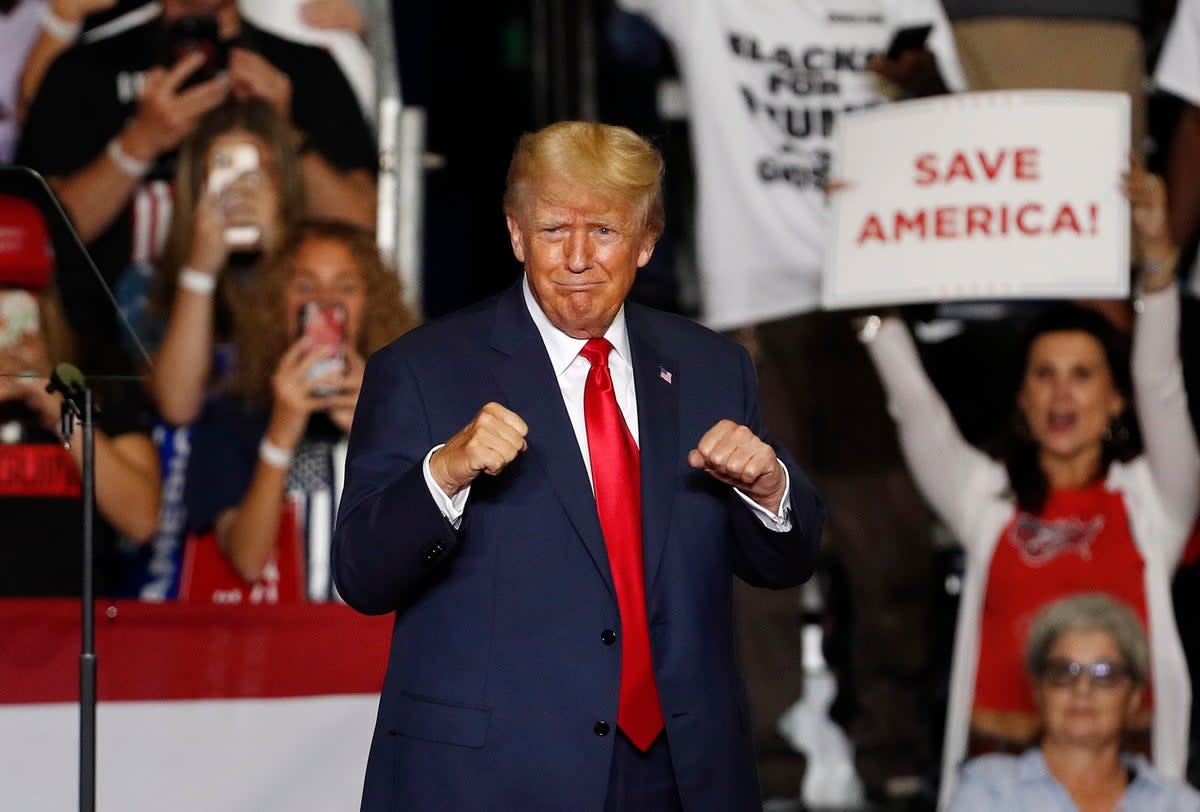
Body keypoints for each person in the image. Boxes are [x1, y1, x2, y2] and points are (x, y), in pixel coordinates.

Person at [332, 121, 824, 810]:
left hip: (684, 775)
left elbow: (784, 565)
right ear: (515, 235)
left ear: (647, 241)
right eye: (554, 229)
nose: (577, 258)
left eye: (604, 231)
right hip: (497, 777)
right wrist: (444, 472)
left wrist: (771, 490)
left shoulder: (712, 367)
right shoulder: (421, 371)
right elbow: (359, 574)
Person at [614, 0, 968, 798]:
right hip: (751, 318)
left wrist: (924, 84)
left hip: (878, 294)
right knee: (744, 550)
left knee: (893, 544)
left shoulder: (906, 5)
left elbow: (964, 121)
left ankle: (892, 758)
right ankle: (763, 767)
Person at [863, 162, 1200, 808]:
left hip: (1125, 769)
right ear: (1022, 398)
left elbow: (1163, 385)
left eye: (1081, 374)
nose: (1062, 393)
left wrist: (1157, 263)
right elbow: (916, 410)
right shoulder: (985, 500)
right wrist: (867, 280)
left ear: (1116, 401)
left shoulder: (1153, 502)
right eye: (1044, 374)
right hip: (1001, 769)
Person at [14, 0, 376, 357]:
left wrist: (286, 134)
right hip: (104, 363)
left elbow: (363, 222)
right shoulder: (84, 68)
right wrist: (139, 143)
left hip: (271, 358)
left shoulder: (303, 70)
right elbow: (37, 236)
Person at [182, 219, 415, 601]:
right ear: (279, 304)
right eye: (306, 286)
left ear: (371, 304)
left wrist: (376, 427)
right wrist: (280, 433)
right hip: (277, 643)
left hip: (379, 640)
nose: (325, 301)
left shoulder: (412, 403)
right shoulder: (234, 415)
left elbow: (424, 542)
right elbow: (248, 560)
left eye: (346, 286)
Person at [0, 194, 160, 595]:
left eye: (15, 294)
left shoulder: (97, 369)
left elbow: (141, 518)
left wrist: (56, 407)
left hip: (74, 633)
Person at [948, 593, 1200, 811]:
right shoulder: (989, 790)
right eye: (1064, 672)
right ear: (1038, 690)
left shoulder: (1177, 804)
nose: (1082, 689)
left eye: (1104, 674)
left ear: (1134, 697)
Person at [142, 97, 307, 426]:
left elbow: (318, 368)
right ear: (198, 185)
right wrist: (199, 273)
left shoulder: (320, 264)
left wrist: (280, 251)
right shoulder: (147, 285)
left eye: (258, 173)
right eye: (223, 172)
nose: (241, 190)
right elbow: (177, 405)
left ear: (283, 180)